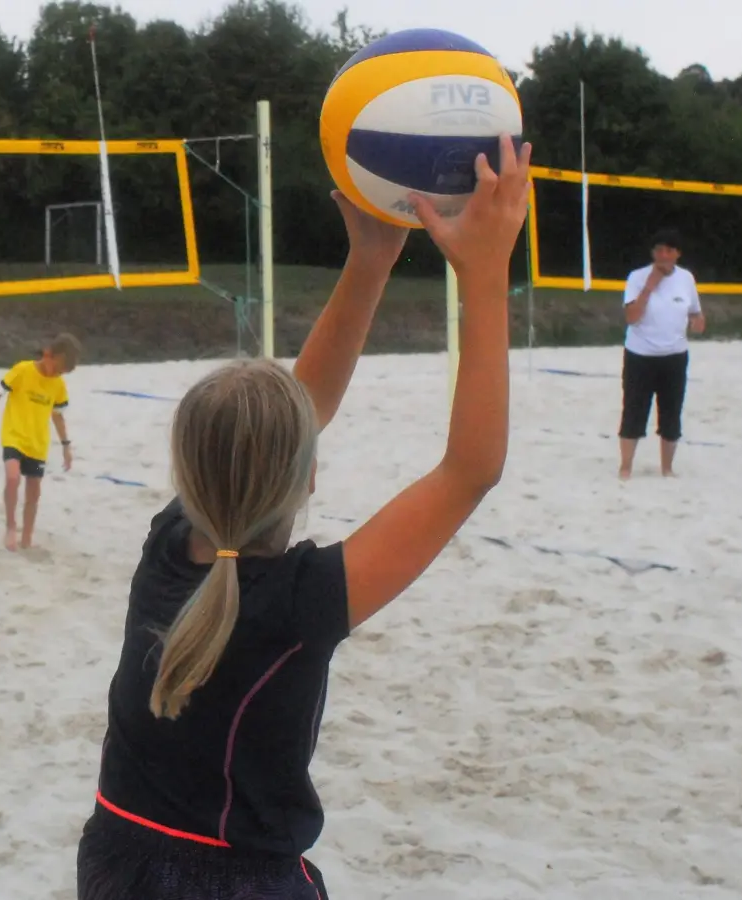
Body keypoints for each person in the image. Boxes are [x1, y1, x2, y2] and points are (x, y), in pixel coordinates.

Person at [76, 134, 532, 900]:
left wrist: (370, 263)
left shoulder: (169, 546)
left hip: (117, 853)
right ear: (309, 470)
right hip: (240, 882)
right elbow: (470, 470)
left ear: (186, 473)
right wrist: (484, 276)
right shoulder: (299, 600)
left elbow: (294, 418)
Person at [0, 333, 81, 551]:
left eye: (61, 373)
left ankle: (27, 537)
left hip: (37, 443)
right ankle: (11, 526)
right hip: (14, 435)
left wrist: (66, 446)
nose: (56, 374)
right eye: (56, 368)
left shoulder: (57, 385)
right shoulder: (22, 371)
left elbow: (58, 416)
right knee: (12, 477)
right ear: (48, 355)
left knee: (33, 492)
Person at [617, 228, 706, 480]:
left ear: (677, 254)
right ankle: (626, 467)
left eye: (668, 250)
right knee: (634, 410)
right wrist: (649, 287)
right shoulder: (637, 277)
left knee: (671, 413)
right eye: (658, 250)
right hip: (640, 356)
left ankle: (667, 468)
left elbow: (695, 312)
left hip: (675, 357)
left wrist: (698, 321)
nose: (663, 255)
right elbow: (631, 318)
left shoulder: (686, 278)